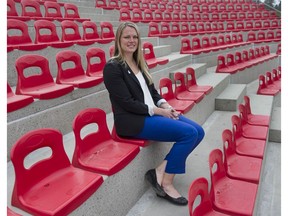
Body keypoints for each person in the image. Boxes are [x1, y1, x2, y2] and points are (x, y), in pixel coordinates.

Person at [103, 22, 205, 206]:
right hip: (133, 120)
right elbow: (126, 103)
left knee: (198, 131)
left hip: (152, 113)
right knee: (188, 134)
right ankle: (165, 183)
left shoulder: (139, 62)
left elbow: (153, 93)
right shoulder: (112, 67)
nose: (131, 41)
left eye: (135, 37)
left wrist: (166, 105)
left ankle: (158, 171)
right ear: (118, 39)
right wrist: (159, 111)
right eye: (127, 37)